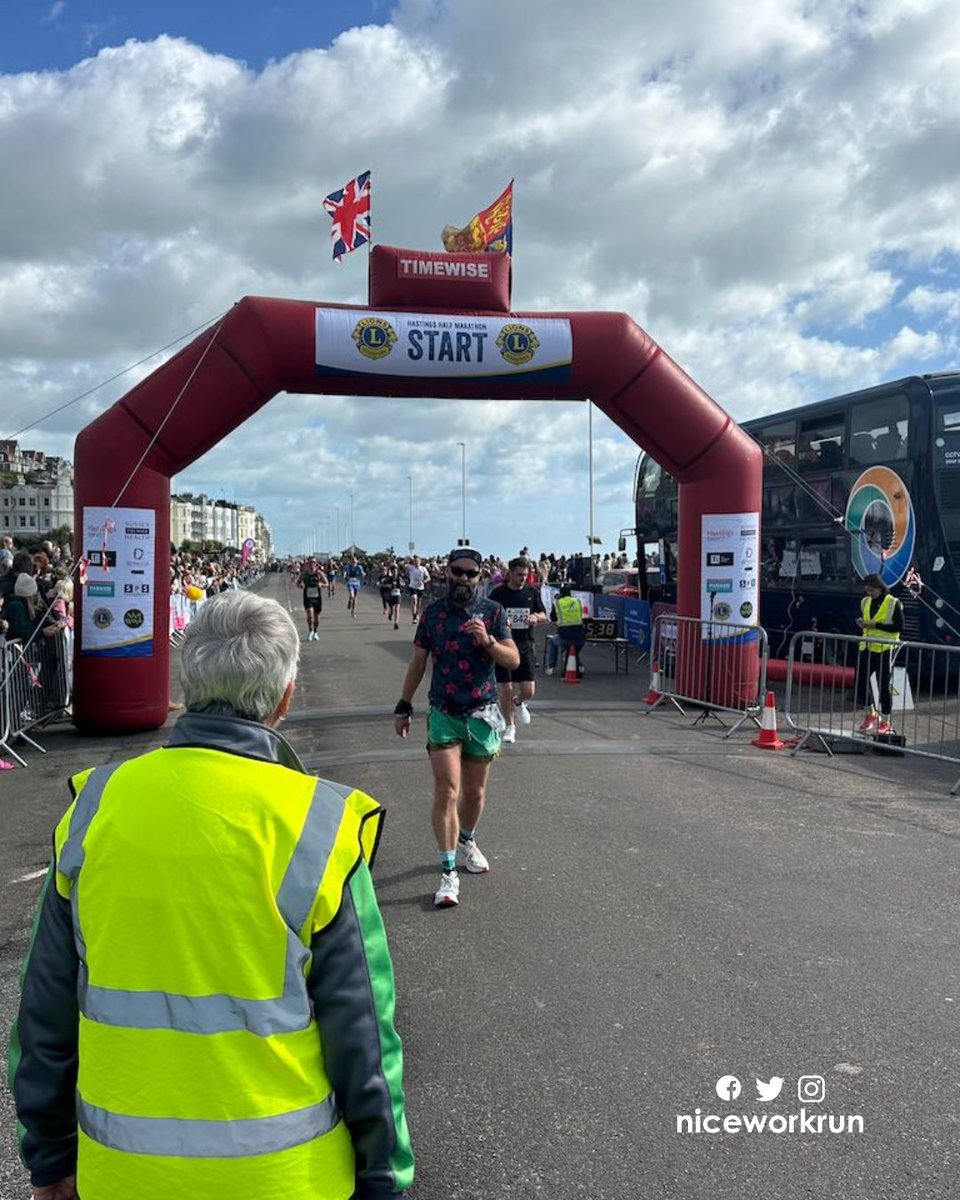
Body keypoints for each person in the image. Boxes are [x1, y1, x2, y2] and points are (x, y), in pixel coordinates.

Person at [9, 590, 414, 1200]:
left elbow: (43, 1014)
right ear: (285, 697)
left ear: (189, 681)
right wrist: (384, 1176)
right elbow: (364, 1037)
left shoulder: (95, 808)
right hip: (287, 1177)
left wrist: (48, 1158)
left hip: (122, 1175)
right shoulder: (321, 826)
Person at [393, 548, 518, 908]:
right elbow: (418, 661)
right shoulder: (433, 614)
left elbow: (514, 659)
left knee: (474, 794)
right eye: (457, 572)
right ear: (446, 572)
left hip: (481, 714)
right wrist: (404, 705)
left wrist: (488, 641)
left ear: (480, 576)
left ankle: (467, 840)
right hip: (444, 711)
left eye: (471, 573)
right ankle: (448, 873)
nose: (464, 578)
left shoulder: (493, 612)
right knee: (448, 790)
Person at [488, 557, 548, 743]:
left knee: (529, 690)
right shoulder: (498, 594)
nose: (523, 578)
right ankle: (510, 726)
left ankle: (519, 702)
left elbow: (544, 614)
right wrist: (498, 624)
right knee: (506, 687)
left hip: (525, 644)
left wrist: (536, 618)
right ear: (510, 573)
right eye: (519, 575)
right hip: (504, 645)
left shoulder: (532, 591)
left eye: (526, 575)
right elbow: (487, 615)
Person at [854, 572, 903, 735]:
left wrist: (874, 625)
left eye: (872, 591)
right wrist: (862, 623)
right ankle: (870, 713)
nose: (869, 594)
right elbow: (866, 620)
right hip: (866, 647)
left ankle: (886, 720)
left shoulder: (893, 603)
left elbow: (898, 627)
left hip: (885, 649)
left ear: (880, 588)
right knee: (860, 683)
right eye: (867, 591)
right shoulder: (865, 601)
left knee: (883, 686)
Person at [545, 583, 586, 675]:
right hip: (581, 638)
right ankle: (579, 665)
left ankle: (551, 666)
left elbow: (553, 618)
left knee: (553, 641)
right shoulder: (578, 601)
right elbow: (582, 617)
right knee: (573, 648)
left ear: (560, 594)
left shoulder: (557, 603)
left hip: (565, 637)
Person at [297, 556, 328, 641]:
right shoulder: (304, 574)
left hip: (317, 597)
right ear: (307, 564)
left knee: (316, 616)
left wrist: (321, 585)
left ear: (316, 564)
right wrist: (301, 585)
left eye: (313, 563)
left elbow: (327, 583)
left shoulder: (319, 573)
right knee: (310, 615)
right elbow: (297, 583)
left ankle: (315, 632)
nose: (312, 564)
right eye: (310, 563)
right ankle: (310, 631)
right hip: (307, 596)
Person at [405, 555, 429, 624]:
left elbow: (428, 578)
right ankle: (414, 617)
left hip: (420, 587)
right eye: (415, 561)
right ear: (414, 561)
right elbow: (404, 565)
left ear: (420, 561)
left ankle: (417, 613)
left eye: (418, 561)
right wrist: (408, 558)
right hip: (412, 587)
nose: (416, 562)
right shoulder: (411, 567)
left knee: (418, 603)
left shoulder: (423, 569)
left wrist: (424, 581)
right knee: (414, 600)